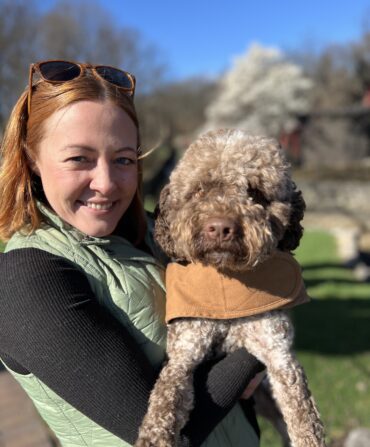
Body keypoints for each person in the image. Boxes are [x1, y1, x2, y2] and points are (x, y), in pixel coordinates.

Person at [0, 60, 265, 447]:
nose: (106, 184)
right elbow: (162, 434)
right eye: (79, 158)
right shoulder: (25, 279)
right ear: (32, 159)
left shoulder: (157, 232)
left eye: (123, 159)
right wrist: (259, 342)